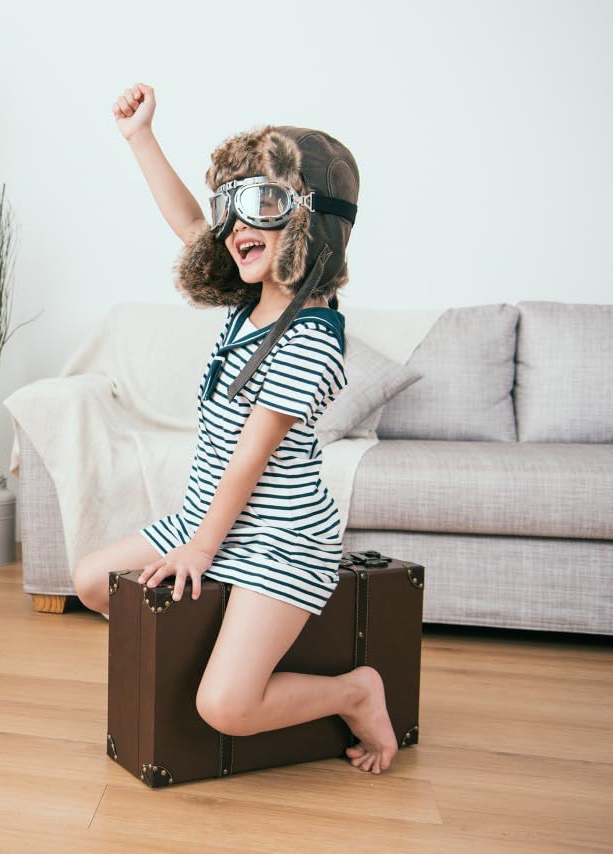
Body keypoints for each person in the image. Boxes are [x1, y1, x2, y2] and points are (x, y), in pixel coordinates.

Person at [71, 83, 398, 775]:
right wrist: (140, 138)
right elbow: (191, 222)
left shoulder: (311, 336)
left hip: (279, 539)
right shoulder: (249, 304)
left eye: (264, 204)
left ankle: (354, 692)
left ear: (312, 220)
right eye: (231, 209)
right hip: (210, 518)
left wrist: (198, 550)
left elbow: (252, 457)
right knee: (94, 581)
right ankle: (218, 646)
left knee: (226, 707)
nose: (233, 227)